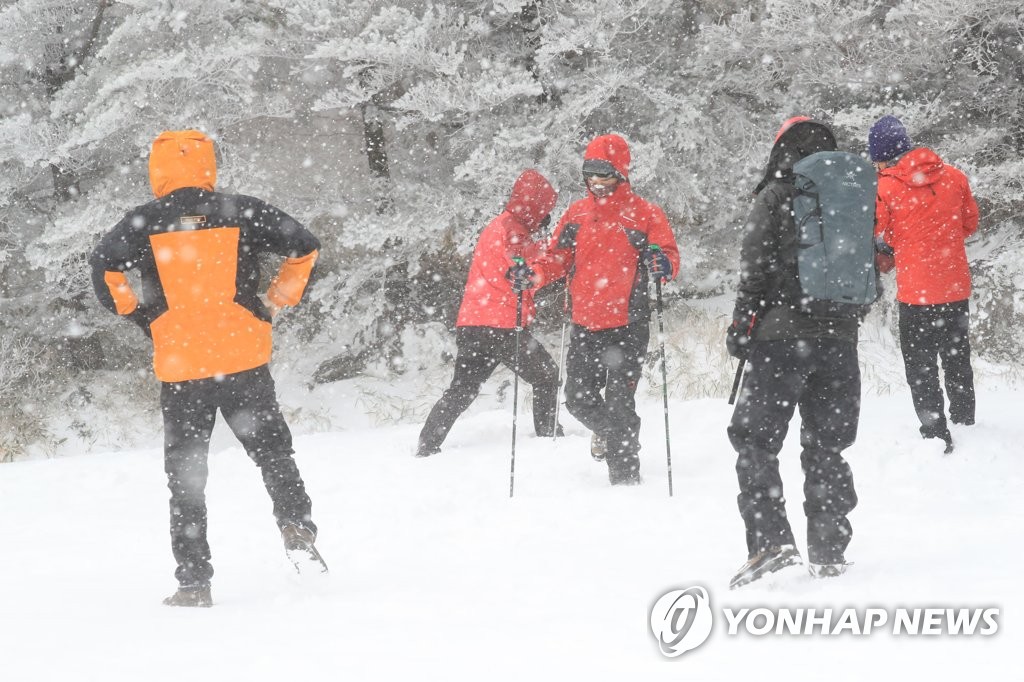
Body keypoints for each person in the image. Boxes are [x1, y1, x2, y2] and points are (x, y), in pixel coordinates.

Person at [90, 130, 324, 608]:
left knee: (186, 477)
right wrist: (274, 302)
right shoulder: (240, 211)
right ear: (207, 164)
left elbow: (102, 266)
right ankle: (295, 522)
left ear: (158, 170)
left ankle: (194, 581)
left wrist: (142, 318)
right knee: (273, 453)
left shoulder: (143, 222)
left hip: (182, 368)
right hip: (243, 358)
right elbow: (305, 245)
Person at [725, 117, 862, 588]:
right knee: (827, 444)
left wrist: (742, 326)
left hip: (781, 339)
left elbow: (756, 267)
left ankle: (770, 541)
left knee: (756, 441)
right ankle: (829, 549)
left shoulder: (778, 193)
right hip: (840, 340)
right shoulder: (850, 197)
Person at [526, 134, 679, 485]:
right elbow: (556, 260)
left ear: (621, 174)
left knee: (620, 403)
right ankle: (618, 437)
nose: (597, 183)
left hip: (629, 323)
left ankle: (625, 483)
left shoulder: (645, 214)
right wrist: (532, 274)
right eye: (590, 175)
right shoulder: (577, 214)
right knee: (578, 401)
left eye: (605, 175)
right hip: (584, 324)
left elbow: (668, 254)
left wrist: (663, 264)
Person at [416, 169, 562, 458]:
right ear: (534, 207)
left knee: (463, 388)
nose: (545, 221)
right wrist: (558, 250)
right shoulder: (513, 230)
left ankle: (427, 442)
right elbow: (521, 265)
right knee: (547, 375)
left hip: (472, 323)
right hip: (503, 326)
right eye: (544, 213)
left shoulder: (497, 226)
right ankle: (548, 436)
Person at [870, 115, 979, 453]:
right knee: (957, 357)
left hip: (916, 293)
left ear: (884, 154)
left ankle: (935, 432)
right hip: (954, 287)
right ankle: (965, 421)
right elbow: (970, 224)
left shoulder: (885, 186)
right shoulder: (955, 176)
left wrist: (904, 246)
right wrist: (939, 241)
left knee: (920, 365)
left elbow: (879, 233)